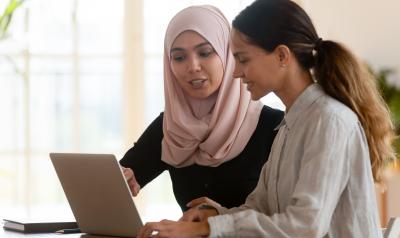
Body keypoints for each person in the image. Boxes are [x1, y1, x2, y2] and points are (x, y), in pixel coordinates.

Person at [137, 0, 396, 237]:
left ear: (282, 56)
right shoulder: (289, 125)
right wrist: (214, 215)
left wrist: (207, 229)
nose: (236, 72)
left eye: (242, 59)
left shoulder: (329, 120)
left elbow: (306, 226)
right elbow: (261, 207)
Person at [119, 5, 283, 212]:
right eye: (179, 57)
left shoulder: (276, 127)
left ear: (228, 54)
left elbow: (288, 218)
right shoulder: (171, 126)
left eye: (205, 53)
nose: (193, 66)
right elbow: (123, 175)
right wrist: (122, 179)